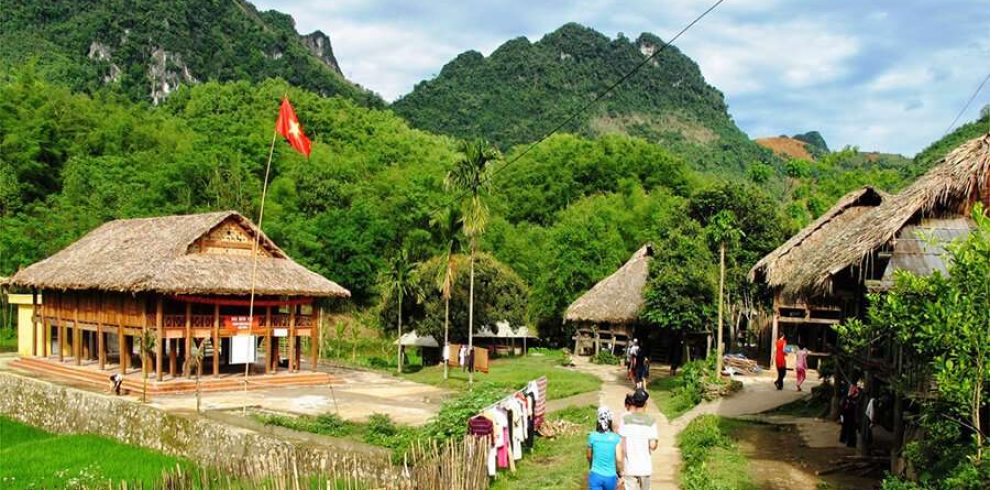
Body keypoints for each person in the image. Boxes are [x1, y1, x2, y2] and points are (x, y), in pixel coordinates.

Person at [620, 389, 658, 490]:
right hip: (645, 467)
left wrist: (621, 467)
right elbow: (652, 445)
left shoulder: (624, 418)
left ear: (634, 403)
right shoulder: (651, 420)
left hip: (630, 467)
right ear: (645, 404)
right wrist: (656, 442)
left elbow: (622, 446)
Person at [587, 406, 623, 490]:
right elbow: (619, 459)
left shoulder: (592, 437)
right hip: (610, 477)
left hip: (595, 475)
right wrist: (620, 474)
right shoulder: (615, 438)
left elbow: (589, 456)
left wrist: (591, 466)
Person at [839, 382, 860, 447]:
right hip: (846, 416)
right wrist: (842, 415)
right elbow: (843, 407)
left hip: (852, 417)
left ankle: (850, 443)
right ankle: (844, 439)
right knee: (845, 428)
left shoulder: (856, 399)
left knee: (851, 431)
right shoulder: (847, 397)